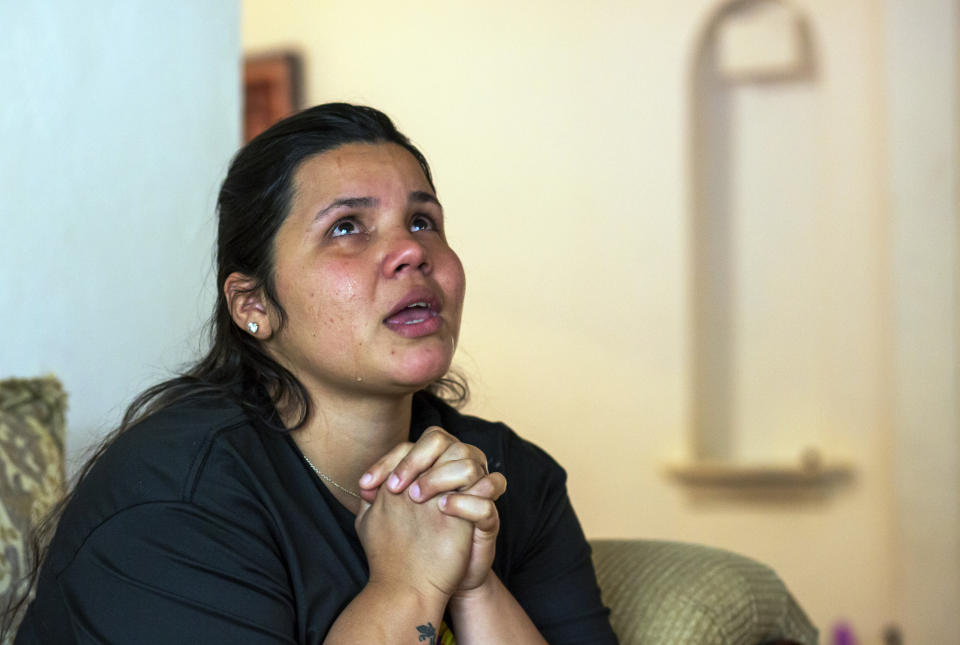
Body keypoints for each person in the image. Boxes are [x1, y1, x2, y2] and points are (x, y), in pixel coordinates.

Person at [10, 104, 617, 644]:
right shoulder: (175, 496)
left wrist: (475, 588)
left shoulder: (511, 478)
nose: (411, 250)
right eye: (346, 227)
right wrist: (407, 586)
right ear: (255, 307)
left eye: (423, 221)